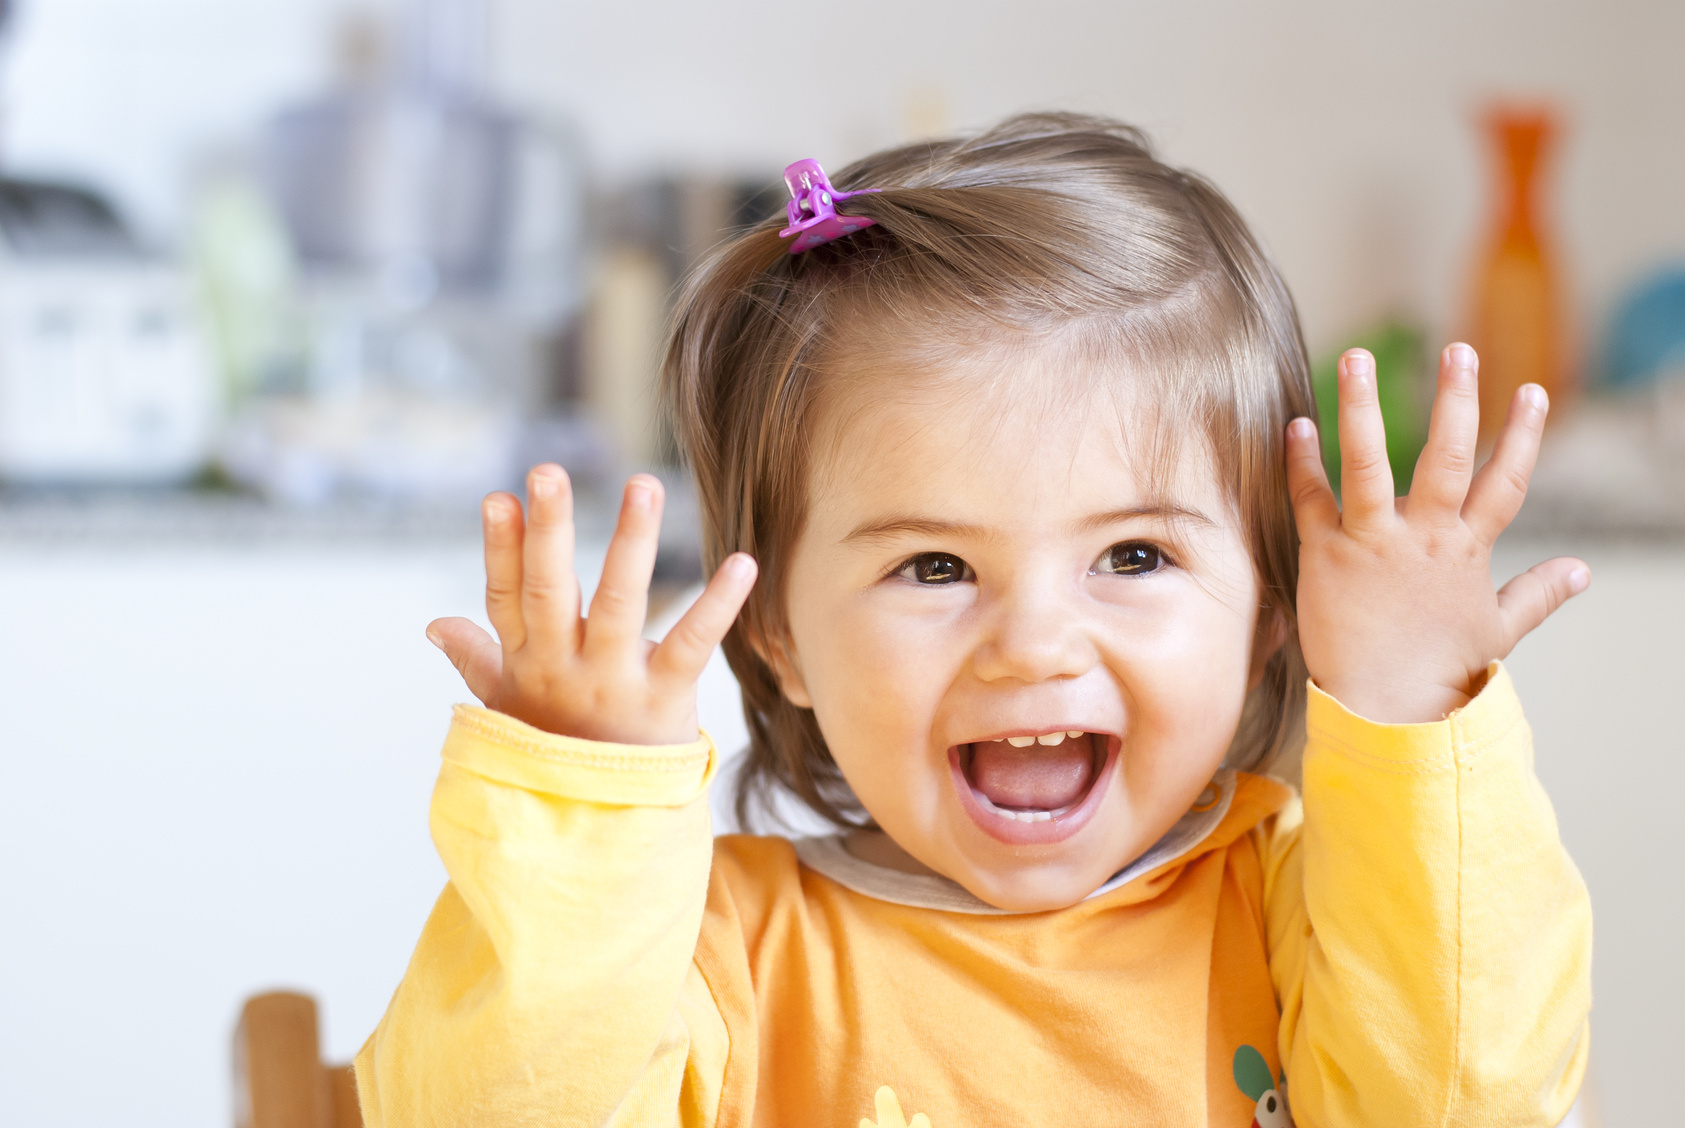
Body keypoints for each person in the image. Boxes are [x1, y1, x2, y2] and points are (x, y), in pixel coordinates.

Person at [355, 114, 1591, 1127]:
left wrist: (1408, 715)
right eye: (935, 567)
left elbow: (1473, 1103)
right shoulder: (706, 951)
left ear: (1271, 603)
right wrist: (588, 815)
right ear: (774, 629)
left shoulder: (1306, 918)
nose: (1035, 644)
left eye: (1134, 554)